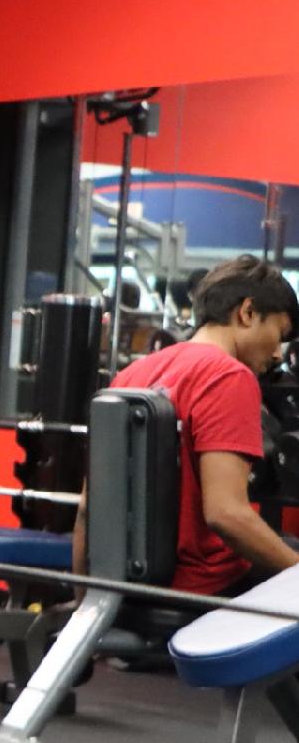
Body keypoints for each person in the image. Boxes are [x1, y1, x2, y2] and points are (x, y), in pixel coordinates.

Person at [74, 255, 299, 596]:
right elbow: (226, 514)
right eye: (279, 334)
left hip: (129, 589)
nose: (279, 354)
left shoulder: (131, 375)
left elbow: (87, 510)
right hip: (208, 587)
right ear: (248, 312)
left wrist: (87, 611)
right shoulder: (228, 376)